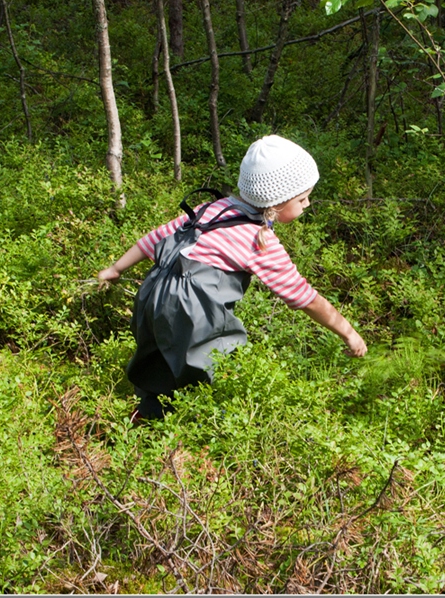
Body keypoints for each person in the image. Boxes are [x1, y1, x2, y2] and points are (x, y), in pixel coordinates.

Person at [98, 135, 367, 422]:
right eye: (302, 198)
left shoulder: (209, 208)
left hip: (152, 295)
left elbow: (155, 239)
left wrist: (116, 269)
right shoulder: (257, 241)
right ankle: (207, 430)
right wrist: (348, 332)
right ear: (275, 203)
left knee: (159, 359)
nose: (308, 203)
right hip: (193, 312)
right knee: (217, 369)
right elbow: (304, 297)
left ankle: (147, 414)